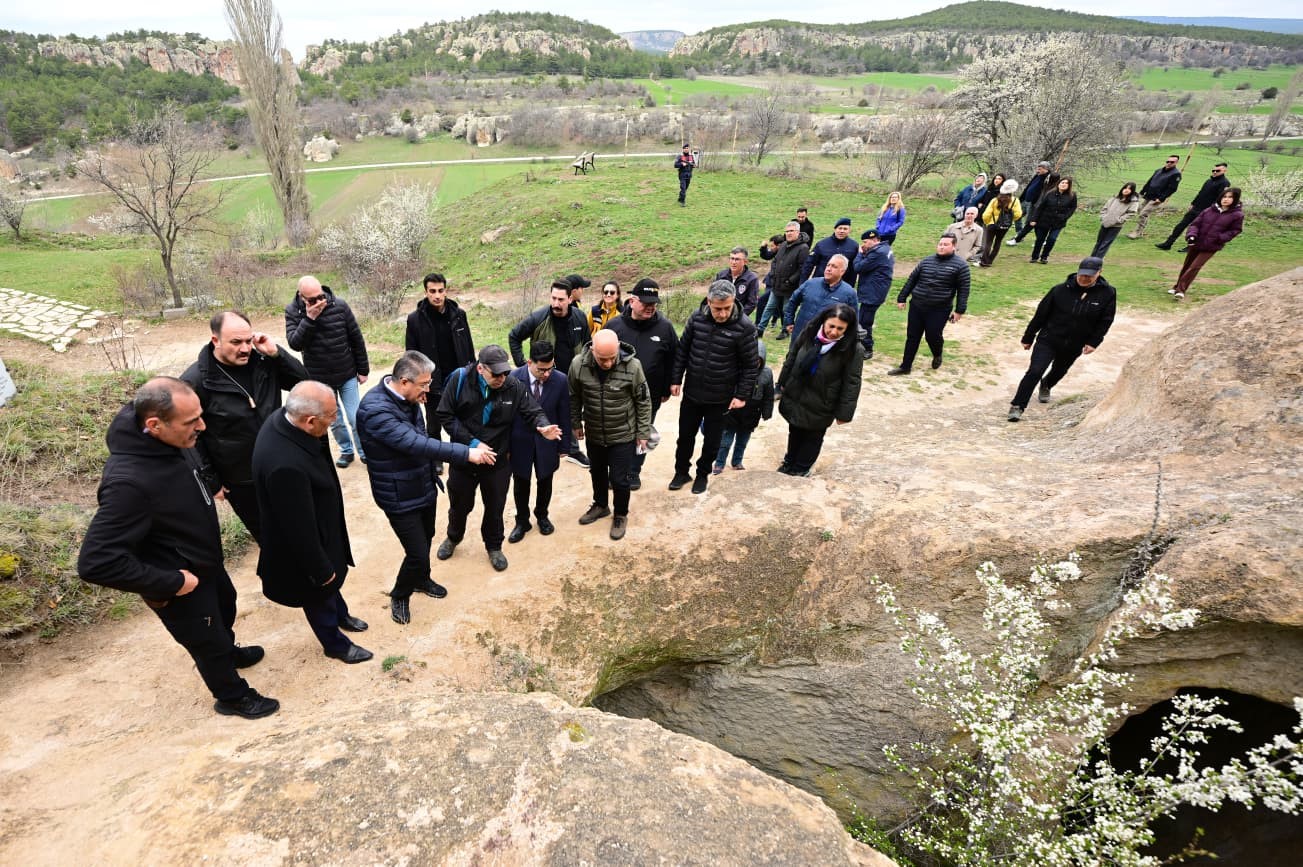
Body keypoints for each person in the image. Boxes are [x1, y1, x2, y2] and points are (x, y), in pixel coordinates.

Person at [78, 377, 278, 719]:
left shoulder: (166, 439)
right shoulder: (128, 483)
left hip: (205, 562)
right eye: (192, 422)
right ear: (154, 425)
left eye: (200, 416)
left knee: (224, 612)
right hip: (180, 581)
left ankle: (228, 651)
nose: (201, 426)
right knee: (206, 641)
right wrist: (170, 582)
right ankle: (232, 696)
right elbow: (96, 562)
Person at [356, 352, 495, 625]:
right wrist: (466, 453)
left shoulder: (407, 397)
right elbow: (417, 443)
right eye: (424, 384)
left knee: (428, 535)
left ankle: (421, 579)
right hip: (398, 494)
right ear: (405, 381)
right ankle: (400, 594)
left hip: (422, 484)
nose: (428, 390)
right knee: (417, 551)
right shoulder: (375, 411)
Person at [253, 381, 372, 664]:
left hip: (321, 526)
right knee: (319, 592)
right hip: (305, 549)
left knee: (332, 586)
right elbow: (298, 530)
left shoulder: (285, 420)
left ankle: (341, 614)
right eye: (331, 417)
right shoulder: (285, 466)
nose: (334, 421)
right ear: (309, 421)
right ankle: (335, 644)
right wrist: (320, 570)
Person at [181, 310, 307, 543]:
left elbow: (304, 383)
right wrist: (212, 481)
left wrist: (277, 354)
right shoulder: (195, 381)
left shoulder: (263, 361)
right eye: (236, 342)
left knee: (298, 525)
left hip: (281, 464)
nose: (245, 348)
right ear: (215, 340)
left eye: (249, 341)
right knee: (269, 537)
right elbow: (189, 438)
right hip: (241, 479)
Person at [435, 345, 561, 572]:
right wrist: (473, 444)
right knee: (460, 504)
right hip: (465, 456)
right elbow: (445, 414)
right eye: (496, 374)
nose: (502, 378)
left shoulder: (513, 385)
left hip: (497, 459)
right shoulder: (460, 379)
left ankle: (494, 546)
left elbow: (533, 410)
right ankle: (453, 537)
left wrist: (542, 426)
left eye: (505, 372)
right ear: (481, 368)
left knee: (495, 507)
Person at [670, 281, 759, 495]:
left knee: (712, 441)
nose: (722, 313)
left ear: (732, 302)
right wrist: (676, 379)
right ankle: (681, 471)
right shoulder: (697, 317)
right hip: (693, 392)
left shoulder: (745, 327)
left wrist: (742, 395)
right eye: (717, 308)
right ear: (709, 302)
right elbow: (683, 350)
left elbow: (750, 365)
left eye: (727, 308)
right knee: (685, 437)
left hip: (721, 396)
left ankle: (702, 474)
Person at [1007, 257, 1116, 422]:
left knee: (1060, 370)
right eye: (1082, 275)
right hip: (1049, 338)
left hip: (1075, 343)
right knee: (1035, 371)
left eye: (1089, 276)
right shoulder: (1059, 290)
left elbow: (1106, 320)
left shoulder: (1108, 293)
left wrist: (1094, 342)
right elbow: (1041, 314)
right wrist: (1028, 337)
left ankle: (1047, 384)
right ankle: (1017, 406)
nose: (1084, 278)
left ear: (1099, 273)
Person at [569, 329, 652, 540]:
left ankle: (621, 514)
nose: (607, 363)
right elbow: (573, 396)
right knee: (596, 471)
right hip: (595, 432)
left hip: (623, 433)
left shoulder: (633, 367)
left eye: (611, 358)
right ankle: (600, 505)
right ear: (592, 350)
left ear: (618, 350)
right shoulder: (579, 364)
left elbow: (643, 401)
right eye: (602, 359)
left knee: (619, 479)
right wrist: (575, 422)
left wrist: (642, 432)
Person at [284, 276, 369, 468]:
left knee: (356, 417)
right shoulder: (293, 312)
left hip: (346, 372)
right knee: (333, 420)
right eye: (312, 300)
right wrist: (309, 318)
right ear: (302, 297)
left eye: (320, 297)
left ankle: (364, 451)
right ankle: (346, 451)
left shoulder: (340, 306)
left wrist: (363, 370)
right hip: (320, 379)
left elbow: (356, 338)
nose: (319, 302)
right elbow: (295, 343)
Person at [508, 278, 591, 467]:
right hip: (544, 376)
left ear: (570, 299)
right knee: (539, 411)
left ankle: (572, 449)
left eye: (561, 299)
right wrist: (524, 366)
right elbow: (514, 336)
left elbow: (588, 345)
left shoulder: (579, 317)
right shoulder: (538, 318)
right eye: (553, 298)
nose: (556, 303)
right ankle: (539, 449)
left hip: (571, 376)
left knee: (569, 410)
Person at [607, 279, 679, 490]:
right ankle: (617, 470)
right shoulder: (614, 326)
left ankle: (634, 471)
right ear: (632, 300)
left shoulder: (665, 328)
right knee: (618, 432)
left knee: (643, 431)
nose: (651, 307)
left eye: (654, 303)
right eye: (646, 303)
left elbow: (674, 358)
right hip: (618, 393)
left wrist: (670, 385)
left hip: (650, 393)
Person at [776, 304, 863, 477]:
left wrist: (844, 413)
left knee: (813, 436)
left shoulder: (852, 349)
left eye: (840, 328)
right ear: (824, 322)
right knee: (795, 429)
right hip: (797, 393)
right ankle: (789, 461)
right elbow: (791, 357)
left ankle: (801, 468)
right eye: (831, 326)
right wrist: (781, 384)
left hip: (822, 400)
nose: (834, 332)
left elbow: (852, 382)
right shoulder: (809, 333)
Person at [405, 272, 476, 466]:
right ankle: (436, 459)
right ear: (426, 292)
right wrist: (419, 387)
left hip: (458, 378)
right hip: (431, 381)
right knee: (434, 423)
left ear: (446, 291)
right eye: (432, 291)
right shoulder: (415, 320)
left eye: (440, 290)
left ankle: (460, 454)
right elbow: (411, 356)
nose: (437, 295)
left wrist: (472, 376)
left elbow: (469, 348)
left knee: (461, 420)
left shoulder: (459, 315)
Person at [507, 341, 572, 543]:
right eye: (541, 370)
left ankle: (542, 515)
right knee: (521, 482)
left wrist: (564, 445)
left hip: (548, 442)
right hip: (520, 441)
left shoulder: (560, 380)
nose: (546, 374)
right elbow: (506, 416)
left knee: (545, 480)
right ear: (529, 362)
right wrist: (506, 446)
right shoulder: (512, 378)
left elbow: (564, 414)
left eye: (550, 368)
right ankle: (522, 521)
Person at [889, 234, 970, 375]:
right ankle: (905, 366)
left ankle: (937, 354)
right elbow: (912, 279)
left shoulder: (961, 266)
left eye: (946, 244)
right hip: (917, 305)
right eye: (940, 244)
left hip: (939, 309)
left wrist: (959, 311)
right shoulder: (926, 261)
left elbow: (963, 290)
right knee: (912, 336)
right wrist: (902, 298)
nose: (942, 246)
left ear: (954, 246)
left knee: (933, 335)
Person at [1170, 187, 1243, 301]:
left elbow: (1235, 231)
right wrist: (1192, 235)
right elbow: (1195, 224)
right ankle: (1176, 287)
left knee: (1195, 267)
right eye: (1224, 196)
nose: (1226, 199)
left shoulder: (1237, 215)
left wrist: (1220, 238)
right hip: (1196, 242)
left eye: (1230, 197)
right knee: (1187, 265)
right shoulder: (1209, 210)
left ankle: (1181, 290)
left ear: (1235, 199)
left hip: (1212, 246)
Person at [713, 340, 774, 473]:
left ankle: (737, 461)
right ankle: (719, 463)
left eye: (758, 360)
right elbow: (724, 388)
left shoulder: (767, 373)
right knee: (725, 441)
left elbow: (769, 395)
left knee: (742, 442)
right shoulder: (736, 369)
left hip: (752, 414)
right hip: (733, 412)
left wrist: (767, 412)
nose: (754, 363)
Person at [1156, 162, 1230, 251]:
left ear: (1224, 171)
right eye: (1213, 170)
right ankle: (1168, 244)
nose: (1214, 172)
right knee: (1181, 225)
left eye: (1217, 170)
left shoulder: (1224, 183)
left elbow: (1220, 199)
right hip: (1196, 207)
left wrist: (1211, 211)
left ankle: (1191, 247)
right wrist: (1193, 203)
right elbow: (1201, 193)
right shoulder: (1209, 181)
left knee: (1196, 229)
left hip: (1206, 211)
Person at [758, 222, 811, 339]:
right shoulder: (783, 245)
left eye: (791, 231)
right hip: (776, 283)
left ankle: (785, 330)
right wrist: (773, 274)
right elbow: (775, 261)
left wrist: (790, 281)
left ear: (797, 232)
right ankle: (760, 329)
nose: (789, 233)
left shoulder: (803, 248)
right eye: (787, 231)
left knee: (787, 309)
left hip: (789, 286)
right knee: (769, 307)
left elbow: (802, 269)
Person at [785, 254, 857, 339]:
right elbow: (793, 301)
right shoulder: (810, 284)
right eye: (828, 265)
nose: (828, 269)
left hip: (826, 341)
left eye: (834, 266)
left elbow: (853, 320)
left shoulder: (849, 293)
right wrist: (789, 322)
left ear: (842, 271)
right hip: (800, 335)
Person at [851, 230, 895, 360]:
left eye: (865, 242)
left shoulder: (877, 253)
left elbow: (858, 267)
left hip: (872, 292)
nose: (863, 245)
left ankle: (867, 348)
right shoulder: (885, 249)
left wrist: (860, 254)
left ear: (874, 240)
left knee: (865, 321)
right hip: (877, 290)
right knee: (864, 319)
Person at [1127, 154, 1183, 239]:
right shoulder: (1158, 170)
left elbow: (1172, 189)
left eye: (1172, 162)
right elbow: (1149, 182)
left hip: (1157, 198)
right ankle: (1140, 231)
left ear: (1176, 162)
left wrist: (1161, 198)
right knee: (1141, 211)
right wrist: (1142, 192)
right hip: (1148, 195)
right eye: (1168, 161)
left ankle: (1137, 232)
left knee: (1143, 214)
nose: (1169, 163)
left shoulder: (1176, 174)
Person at [1027, 176, 1077, 265]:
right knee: (1040, 239)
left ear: (1069, 186)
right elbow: (1041, 207)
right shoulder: (1050, 193)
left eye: (1066, 183)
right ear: (1058, 184)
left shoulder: (1072, 196)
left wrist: (1065, 216)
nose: (1064, 185)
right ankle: (1035, 257)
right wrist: (1034, 219)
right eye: (1062, 183)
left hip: (1058, 222)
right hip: (1044, 220)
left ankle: (1044, 257)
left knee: (1052, 239)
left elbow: (1072, 208)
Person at [802, 218, 859, 285]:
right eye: (840, 228)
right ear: (835, 229)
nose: (842, 231)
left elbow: (853, 269)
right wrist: (803, 283)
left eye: (845, 229)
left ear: (849, 230)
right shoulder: (822, 244)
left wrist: (850, 286)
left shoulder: (854, 246)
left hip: (841, 286)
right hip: (820, 284)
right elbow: (809, 264)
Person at [1091, 182, 1140, 259]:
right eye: (1125, 188)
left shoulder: (1133, 202)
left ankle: (1098, 259)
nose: (1126, 190)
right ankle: (1092, 258)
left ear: (1132, 191)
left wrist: (1119, 220)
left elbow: (1131, 213)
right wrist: (1103, 217)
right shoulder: (1115, 197)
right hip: (1105, 223)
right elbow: (1105, 207)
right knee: (1099, 242)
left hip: (1116, 226)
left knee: (1106, 243)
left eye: (1129, 189)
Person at [978, 182, 1022, 268]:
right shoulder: (1015, 201)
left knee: (988, 242)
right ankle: (990, 260)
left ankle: (984, 261)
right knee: (998, 242)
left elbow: (986, 214)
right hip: (1005, 225)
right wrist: (1011, 219)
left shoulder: (995, 200)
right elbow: (1018, 214)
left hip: (992, 224)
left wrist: (987, 222)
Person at [1010, 162, 1053, 242]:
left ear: (1046, 169)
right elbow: (1029, 186)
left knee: (1029, 220)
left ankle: (1021, 236)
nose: (1038, 170)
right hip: (1025, 200)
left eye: (1040, 169)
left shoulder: (1047, 178)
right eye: (1038, 168)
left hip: (1033, 202)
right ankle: (1019, 232)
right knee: (1017, 215)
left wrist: (1048, 175)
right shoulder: (1037, 176)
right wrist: (1021, 198)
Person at [715, 247, 762, 316]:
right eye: (732, 258)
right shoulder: (721, 275)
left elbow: (752, 303)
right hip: (721, 314)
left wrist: (738, 316)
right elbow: (714, 296)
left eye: (737, 259)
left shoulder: (751, 279)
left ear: (745, 262)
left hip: (739, 316)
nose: (734, 262)